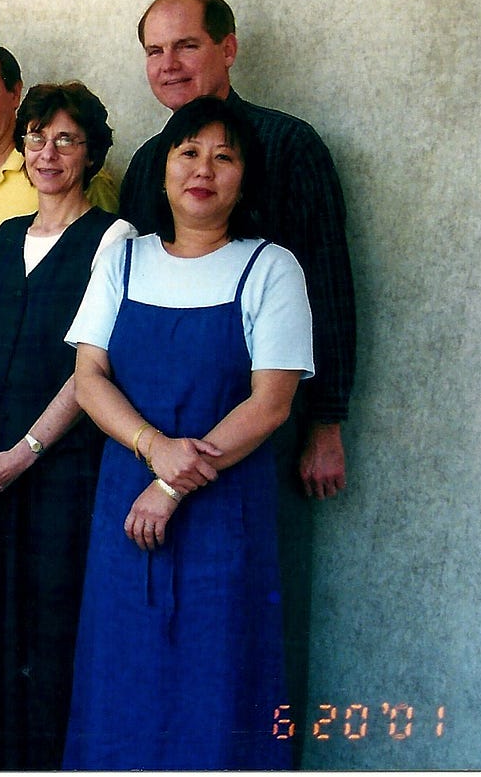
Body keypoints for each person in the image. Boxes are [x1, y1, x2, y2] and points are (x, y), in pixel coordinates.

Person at [119, 0, 355, 743]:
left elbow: (327, 284)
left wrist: (327, 421)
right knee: (158, 618)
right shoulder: (151, 162)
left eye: (185, 45)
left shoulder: (289, 146)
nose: (169, 64)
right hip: (155, 430)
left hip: (256, 427)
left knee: (244, 615)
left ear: (229, 47)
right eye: (155, 51)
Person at [63, 96, 313, 769]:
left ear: (245, 178)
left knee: (218, 672)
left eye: (224, 156)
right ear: (165, 167)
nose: (204, 169)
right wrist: (153, 449)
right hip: (125, 499)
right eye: (189, 152)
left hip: (221, 506)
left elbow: (271, 405)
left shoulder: (272, 268)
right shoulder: (122, 260)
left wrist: (171, 483)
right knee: (122, 673)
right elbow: (89, 377)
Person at [0, 82, 134, 769]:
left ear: (90, 153)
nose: (46, 152)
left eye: (64, 139)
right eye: (35, 137)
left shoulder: (113, 237)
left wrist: (26, 451)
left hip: (59, 465)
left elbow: (92, 369)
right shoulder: (2, 235)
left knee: (50, 627)